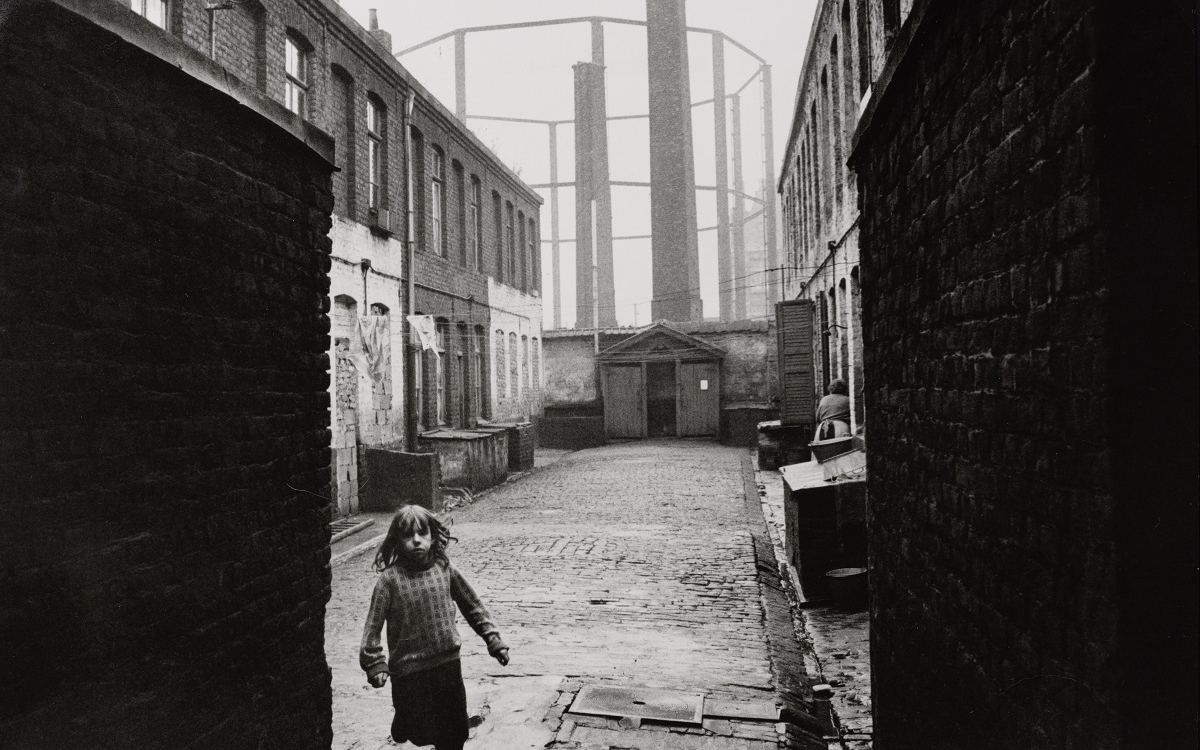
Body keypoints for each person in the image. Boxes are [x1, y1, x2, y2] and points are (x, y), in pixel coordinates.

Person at [360, 505, 510, 750]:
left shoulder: (444, 569)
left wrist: (493, 639)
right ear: (397, 541)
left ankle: (415, 723)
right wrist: (374, 662)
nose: (416, 541)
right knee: (419, 731)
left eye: (422, 534)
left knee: (454, 733)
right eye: (408, 536)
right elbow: (373, 626)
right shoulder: (389, 580)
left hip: (447, 664)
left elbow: (473, 605)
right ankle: (404, 718)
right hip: (409, 671)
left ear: (432, 536)